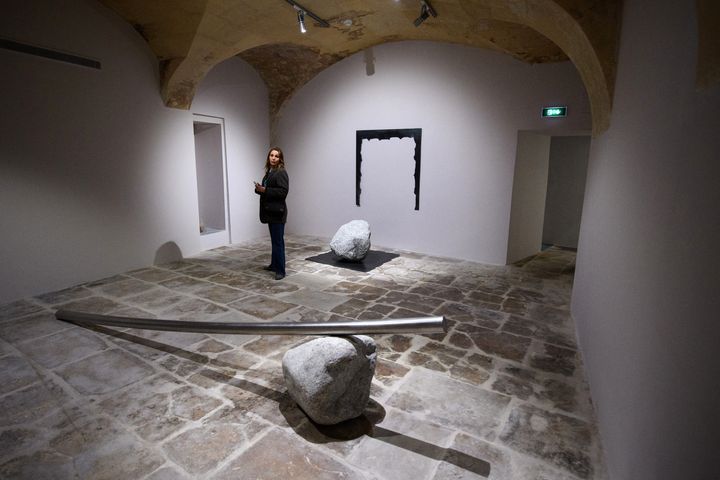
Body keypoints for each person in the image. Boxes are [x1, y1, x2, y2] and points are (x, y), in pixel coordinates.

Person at [254, 147, 289, 280]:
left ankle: (281, 270)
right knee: (275, 241)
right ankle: (274, 265)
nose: (273, 158)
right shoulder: (269, 172)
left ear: (280, 158)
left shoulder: (281, 172)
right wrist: (259, 189)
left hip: (277, 213)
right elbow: (267, 190)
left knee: (278, 242)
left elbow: (283, 192)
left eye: (276, 156)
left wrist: (265, 190)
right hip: (270, 212)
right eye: (271, 155)